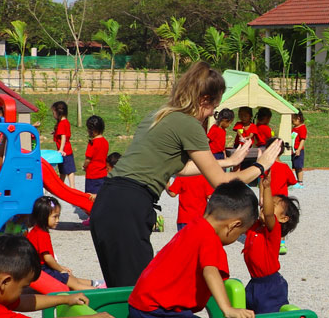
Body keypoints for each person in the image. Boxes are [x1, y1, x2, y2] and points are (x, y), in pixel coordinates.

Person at [89, 62, 282, 288]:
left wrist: (228, 161)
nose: (212, 114)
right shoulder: (188, 123)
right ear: (203, 100)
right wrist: (260, 166)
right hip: (129, 207)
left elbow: (177, 167)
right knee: (137, 295)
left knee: (122, 289)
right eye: (213, 107)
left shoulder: (159, 115)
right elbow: (221, 183)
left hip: (108, 202)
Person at [126, 180, 258, 318]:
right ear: (234, 225)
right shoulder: (210, 238)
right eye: (241, 233)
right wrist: (228, 308)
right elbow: (211, 271)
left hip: (143, 303)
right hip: (157, 309)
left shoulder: (193, 226)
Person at [0, 234, 110, 318]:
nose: (21, 293)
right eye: (23, 287)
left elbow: (23, 302)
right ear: (5, 281)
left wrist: (65, 298)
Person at [243, 180, 300, 314]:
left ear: (284, 218)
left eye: (272, 205)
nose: (266, 207)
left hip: (270, 286)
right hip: (254, 283)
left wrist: (268, 186)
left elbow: (268, 214)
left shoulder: (273, 231)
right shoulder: (256, 226)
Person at [26, 197, 106, 291]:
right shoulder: (42, 235)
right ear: (43, 216)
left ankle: (96, 283)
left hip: (38, 268)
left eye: (58, 216)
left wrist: (61, 268)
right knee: (73, 283)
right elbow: (48, 259)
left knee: (71, 278)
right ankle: (98, 292)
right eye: (54, 217)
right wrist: (60, 269)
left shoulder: (35, 231)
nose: (57, 220)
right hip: (43, 270)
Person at [84, 116, 110, 195]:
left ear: (92, 130)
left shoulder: (92, 143)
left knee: (90, 197)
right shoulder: (105, 142)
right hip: (103, 174)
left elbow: (88, 159)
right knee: (100, 195)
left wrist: (84, 166)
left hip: (92, 175)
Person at [53, 101, 76, 186]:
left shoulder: (62, 123)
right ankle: (60, 185)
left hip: (65, 151)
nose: (53, 114)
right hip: (66, 150)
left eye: (53, 112)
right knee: (63, 170)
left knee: (69, 170)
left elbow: (64, 137)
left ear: (58, 112)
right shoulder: (65, 122)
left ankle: (72, 186)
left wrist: (61, 149)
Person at [290, 112, 307, 186]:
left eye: (293, 120)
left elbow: (302, 140)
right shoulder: (294, 128)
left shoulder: (302, 128)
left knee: (299, 166)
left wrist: (299, 149)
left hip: (298, 150)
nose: (292, 122)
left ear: (298, 118)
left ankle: (300, 181)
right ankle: (296, 180)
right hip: (293, 150)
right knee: (295, 166)